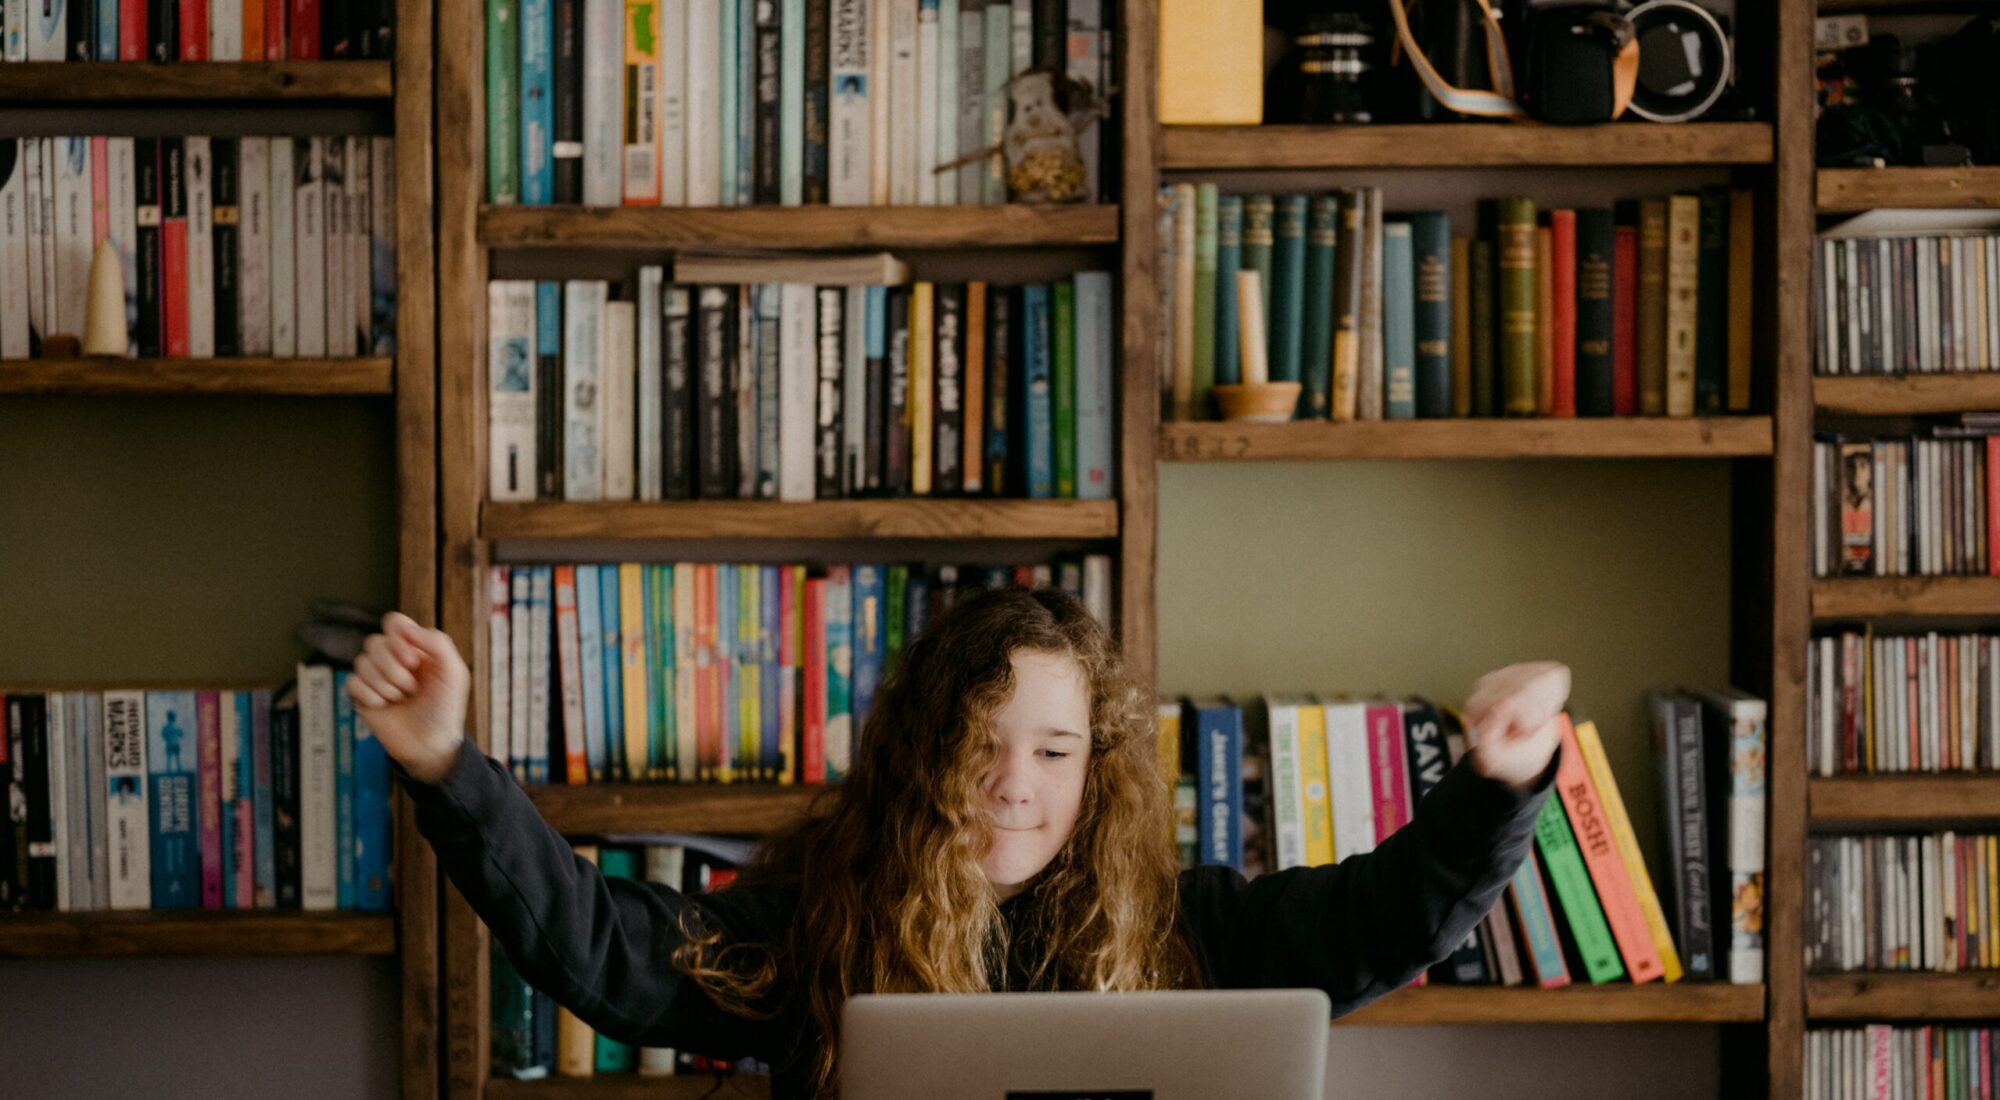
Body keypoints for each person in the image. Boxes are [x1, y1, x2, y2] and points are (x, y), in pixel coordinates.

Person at [352, 587, 1568, 1099]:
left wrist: (1497, 778)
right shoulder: (816, 918)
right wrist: (447, 764)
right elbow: (600, 948)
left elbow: (1389, 914)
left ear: (1094, 770)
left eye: (1051, 750)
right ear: (920, 752)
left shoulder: (1194, 924)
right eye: (979, 743)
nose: (1011, 786)